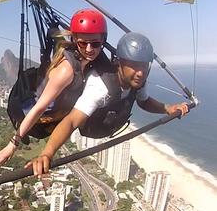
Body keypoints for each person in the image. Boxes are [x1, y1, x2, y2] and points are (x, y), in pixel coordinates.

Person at [25, 32, 190, 178]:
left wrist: (167, 108)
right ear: (120, 62)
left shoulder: (138, 80)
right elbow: (72, 121)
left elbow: (144, 101)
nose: (140, 72)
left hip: (108, 125)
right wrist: (47, 153)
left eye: (144, 65)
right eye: (134, 65)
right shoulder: (100, 86)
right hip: (92, 127)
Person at [0, 9, 110, 170]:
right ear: (75, 40)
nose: (89, 49)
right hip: (31, 114)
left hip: (52, 112)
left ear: (103, 41)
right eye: (83, 43)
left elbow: (59, 38)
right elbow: (38, 108)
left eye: (95, 44)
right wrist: (12, 144)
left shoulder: (87, 59)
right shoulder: (66, 71)